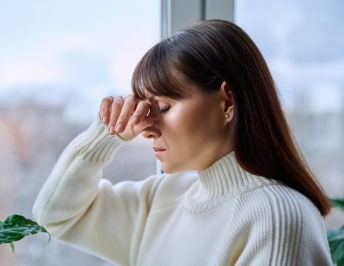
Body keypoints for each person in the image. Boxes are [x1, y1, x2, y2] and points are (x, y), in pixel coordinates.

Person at [32, 19, 333, 265]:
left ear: (227, 101)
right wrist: (106, 132)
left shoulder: (277, 217)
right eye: (144, 110)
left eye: (162, 107)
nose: (147, 129)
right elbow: (56, 216)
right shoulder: (163, 198)